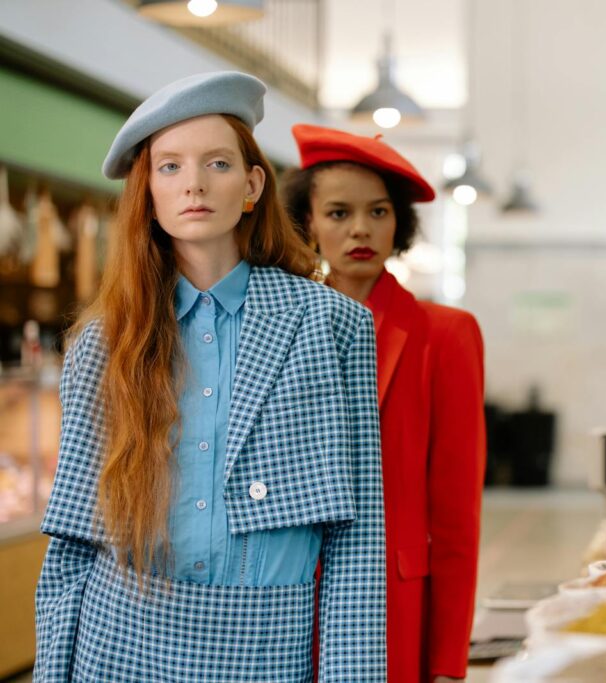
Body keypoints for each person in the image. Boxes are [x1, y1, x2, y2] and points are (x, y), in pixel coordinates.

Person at [34, 72, 386, 682]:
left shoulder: (332, 325)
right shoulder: (104, 341)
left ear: (252, 185)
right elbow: (72, 539)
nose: (193, 183)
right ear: (147, 193)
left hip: (266, 649)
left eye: (217, 163)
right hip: (117, 643)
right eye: (169, 167)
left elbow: (358, 538)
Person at [284, 124, 486, 683]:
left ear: (399, 223)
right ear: (308, 222)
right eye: (339, 213)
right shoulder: (282, 329)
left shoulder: (445, 335)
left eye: (378, 211)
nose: (360, 229)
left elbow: (457, 512)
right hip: (286, 603)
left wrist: (448, 659)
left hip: (393, 605)